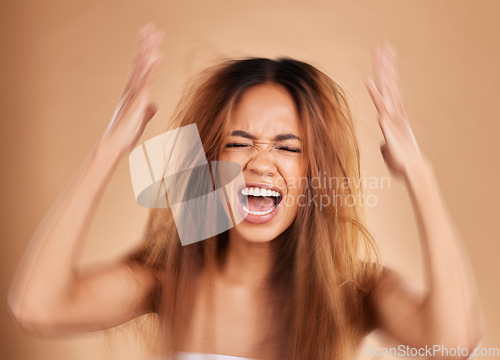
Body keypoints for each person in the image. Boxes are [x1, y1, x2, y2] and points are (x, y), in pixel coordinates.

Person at [7, 23, 484, 360]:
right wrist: (108, 151)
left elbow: (454, 343)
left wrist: (419, 175)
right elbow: (37, 307)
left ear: (314, 173)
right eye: (239, 142)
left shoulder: (354, 291)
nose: (260, 162)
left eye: (287, 146)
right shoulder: (166, 278)